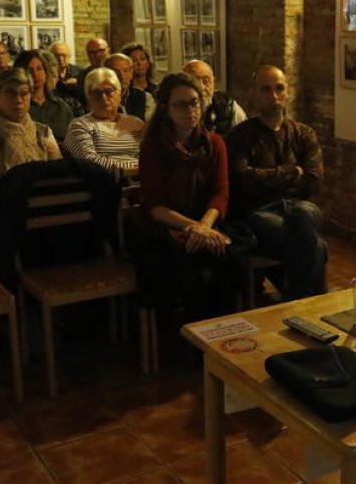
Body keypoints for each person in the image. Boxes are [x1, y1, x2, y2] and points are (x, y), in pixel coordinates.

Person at [137, 72, 239, 321]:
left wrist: (204, 226)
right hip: (166, 226)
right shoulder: (153, 147)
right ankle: (192, 342)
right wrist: (195, 228)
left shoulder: (214, 143)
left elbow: (220, 192)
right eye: (180, 104)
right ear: (166, 108)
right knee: (191, 272)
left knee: (229, 261)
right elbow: (155, 205)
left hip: (204, 221)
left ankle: (224, 338)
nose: (189, 110)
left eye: (194, 102)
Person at [226, 65, 327, 300]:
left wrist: (267, 175)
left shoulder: (303, 134)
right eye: (266, 89)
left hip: (300, 205)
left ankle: (294, 297)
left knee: (302, 215)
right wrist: (292, 172)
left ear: (287, 91)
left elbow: (313, 180)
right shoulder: (241, 135)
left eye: (279, 89)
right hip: (261, 210)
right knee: (316, 246)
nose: (274, 96)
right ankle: (307, 301)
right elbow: (244, 180)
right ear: (253, 93)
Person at [0, 68, 61, 197]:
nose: (18, 100)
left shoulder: (43, 132)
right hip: (1, 204)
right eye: (10, 93)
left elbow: (58, 171)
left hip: (42, 200)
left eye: (24, 93)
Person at [63, 67, 144, 176]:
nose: (104, 98)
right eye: (96, 93)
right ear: (88, 98)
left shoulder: (136, 123)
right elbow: (89, 162)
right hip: (105, 184)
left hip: (143, 181)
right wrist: (131, 171)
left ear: (119, 95)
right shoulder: (79, 125)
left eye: (109, 91)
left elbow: (151, 154)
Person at [13, 49, 73, 142]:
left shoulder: (61, 107)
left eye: (39, 69)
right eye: (29, 70)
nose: (35, 74)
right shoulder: (18, 107)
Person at [182, 59, 244, 135]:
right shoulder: (175, 108)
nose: (201, 88)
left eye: (206, 81)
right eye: (194, 81)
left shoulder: (229, 106)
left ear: (213, 82)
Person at [104, 52, 153, 121]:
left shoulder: (145, 97)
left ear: (131, 72)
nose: (122, 76)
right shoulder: (101, 99)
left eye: (126, 71)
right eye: (116, 72)